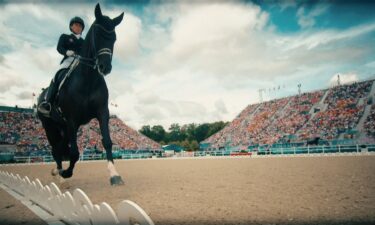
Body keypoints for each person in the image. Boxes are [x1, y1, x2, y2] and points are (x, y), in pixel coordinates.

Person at [38, 17, 85, 115]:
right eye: (76, 25)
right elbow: (59, 47)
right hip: (68, 61)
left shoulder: (84, 42)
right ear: (71, 27)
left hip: (81, 63)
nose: (78, 27)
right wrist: (66, 52)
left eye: (80, 26)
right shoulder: (65, 37)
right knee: (57, 75)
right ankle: (48, 102)